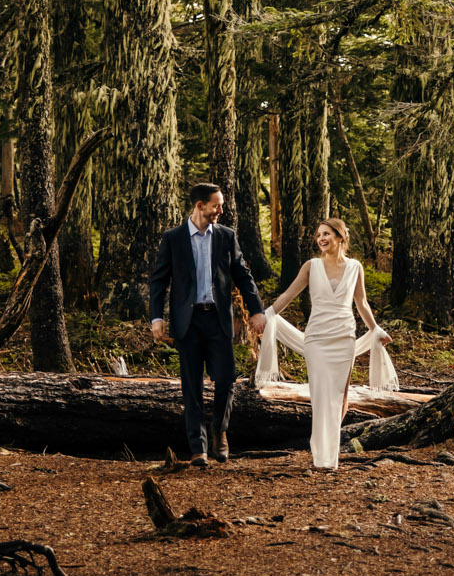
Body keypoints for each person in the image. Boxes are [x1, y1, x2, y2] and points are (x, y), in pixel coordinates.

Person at [257, 218, 392, 471]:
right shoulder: (311, 266)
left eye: (327, 233)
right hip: (317, 338)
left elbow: (361, 304)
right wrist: (267, 314)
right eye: (319, 234)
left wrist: (376, 329)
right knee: (320, 396)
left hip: (344, 337)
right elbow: (289, 294)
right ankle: (321, 456)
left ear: (340, 237)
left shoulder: (355, 267)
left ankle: (331, 450)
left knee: (340, 397)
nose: (321, 238)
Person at [149, 183, 265, 466]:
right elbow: (159, 281)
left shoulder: (226, 236)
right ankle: (198, 447)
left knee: (226, 379)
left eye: (221, 204)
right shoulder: (173, 238)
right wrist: (156, 318)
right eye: (216, 205)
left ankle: (219, 432)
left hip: (218, 320)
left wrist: (257, 310)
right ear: (200, 206)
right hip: (187, 322)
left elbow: (243, 275)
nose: (220, 210)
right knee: (192, 386)